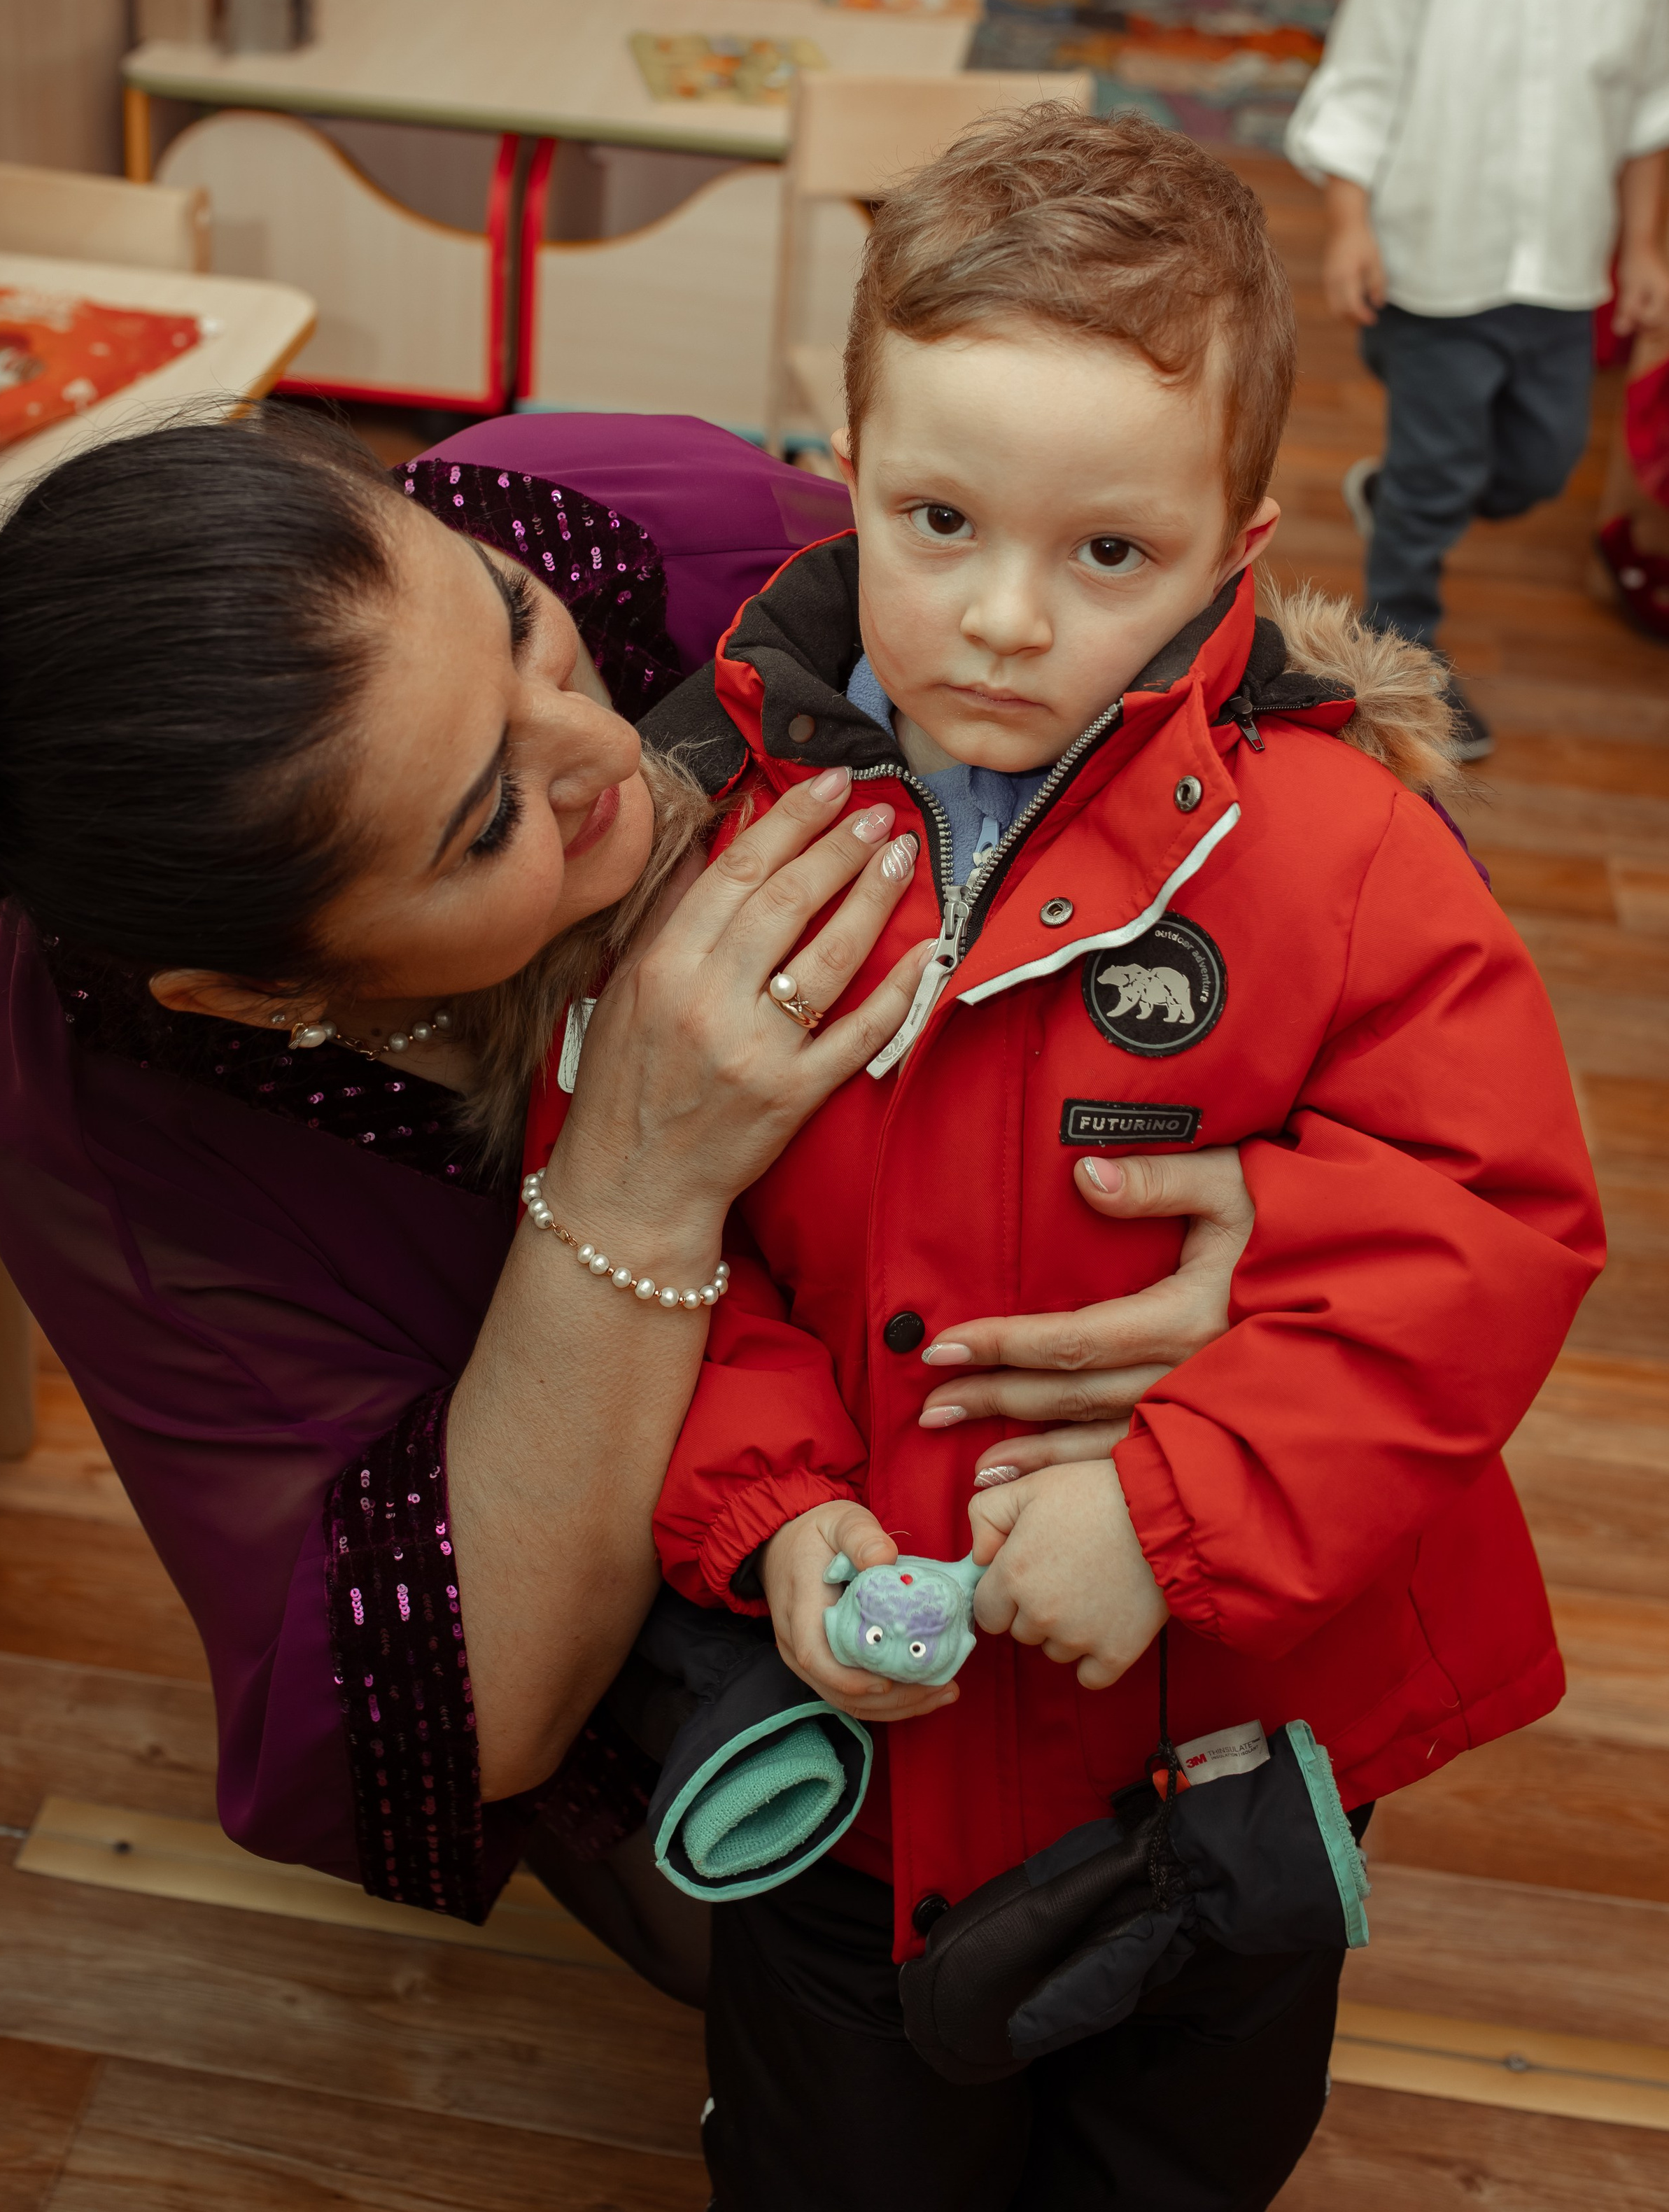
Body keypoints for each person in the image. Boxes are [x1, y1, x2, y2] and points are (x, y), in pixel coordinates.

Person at [526, 112, 1605, 2204]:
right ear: (845, 466)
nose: (1004, 617)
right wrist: (777, 1524)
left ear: (1233, 546)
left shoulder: (1343, 854)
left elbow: (1478, 1226)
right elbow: (661, 1222)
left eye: (1107, 554)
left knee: (1181, 2156)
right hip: (857, 1773)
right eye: (938, 518)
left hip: (1212, 1748)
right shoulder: (726, 836)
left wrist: (1179, 1504)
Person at [0, 401, 1253, 1998]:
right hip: (754, 1604)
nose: (601, 750)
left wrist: (1272, 1214)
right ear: (255, 996)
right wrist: (638, 1175)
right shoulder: (112, 1136)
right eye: (484, 826)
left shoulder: (616, 519)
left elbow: (1238, 751)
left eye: (515, 625)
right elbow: (475, 1713)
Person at [1287, 0, 1669, 758]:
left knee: (1538, 466)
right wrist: (1350, 224)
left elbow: (1651, 104)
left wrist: (1645, 250)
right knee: (1439, 475)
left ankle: (1402, 491)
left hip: (1560, 269)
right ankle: (1411, 677)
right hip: (1436, 269)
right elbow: (1357, 85)